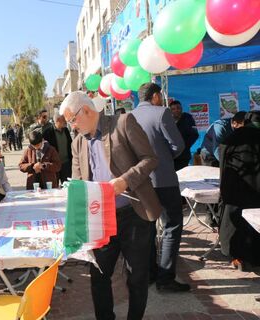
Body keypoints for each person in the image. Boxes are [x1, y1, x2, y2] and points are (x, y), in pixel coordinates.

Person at [60, 91, 162, 320]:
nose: (72, 127)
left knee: (136, 276)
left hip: (133, 213)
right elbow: (78, 181)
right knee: (99, 275)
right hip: (100, 218)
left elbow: (150, 159)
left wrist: (126, 180)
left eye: (72, 120)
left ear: (85, 110)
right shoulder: (77, 143)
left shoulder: (123, 124)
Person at [131, 83, 189, 293]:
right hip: (163, 178)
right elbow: (178, 145)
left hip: (140, 181)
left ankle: (149, 274)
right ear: (155, 96)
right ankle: (165, 279)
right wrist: (165, 157)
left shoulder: (129, 116)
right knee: (172, 225)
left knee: (147, 227)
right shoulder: (162, 112)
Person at [219, 111, 260, 270]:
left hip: (236, 191)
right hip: (257, 193)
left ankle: (239, 259)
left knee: (238, 225)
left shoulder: (232, 138)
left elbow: (223, 166)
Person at [43, 112, 73, 184]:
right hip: (54, 165)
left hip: (66, 164)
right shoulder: (47, 132)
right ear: (58, 120)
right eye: (63, 119)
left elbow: (70, 144)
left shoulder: (66, 130)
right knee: (54, 186)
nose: (65, 121)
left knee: (67, 186)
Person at [169, 100, 199, 171]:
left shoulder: (188, 118)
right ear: (170, 111)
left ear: (181, 109)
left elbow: (195, 135)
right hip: (171, 156)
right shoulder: (167, 120)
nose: (176, 110)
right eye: (173, 109)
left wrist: (184, 146)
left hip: (184, 156)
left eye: (178, 108)